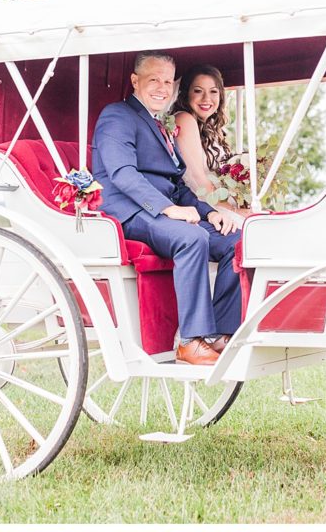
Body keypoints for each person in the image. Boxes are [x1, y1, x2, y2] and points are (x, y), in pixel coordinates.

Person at [92, 51, 241, 365]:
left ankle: (223, 334)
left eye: (167, 81)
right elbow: (122, 174)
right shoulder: (117, 115)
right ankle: (190, 341)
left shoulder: (157, 124)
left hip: (160, 212)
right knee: (192, 238)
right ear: (135, 81)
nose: (161, 87)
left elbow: (176, 186)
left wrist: (208, 212)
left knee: (234, 241)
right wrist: (166, 209)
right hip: (129, 213)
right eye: (153, 80)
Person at [169, 64, 251, 226]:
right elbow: (198, 179)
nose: (207, 99)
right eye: (198, 91)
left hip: (218, 202)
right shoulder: (184, 120)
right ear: (186, 94)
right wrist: (234, 211)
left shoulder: (210, 128)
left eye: (213, 91)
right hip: (203, 206)